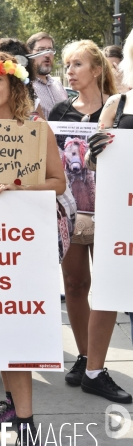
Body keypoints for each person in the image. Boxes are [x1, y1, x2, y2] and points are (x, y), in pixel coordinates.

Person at [0, 50, 66, 446]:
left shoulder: (36, 129)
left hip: (22, 245)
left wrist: (22, 187)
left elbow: (58, 182)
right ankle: (10, 406)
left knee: (17, 333)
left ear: (13, 85)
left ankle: (27, 429)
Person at [48, 40, 131, 403]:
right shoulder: (60, 111)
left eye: (77, 64)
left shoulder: (117, 108)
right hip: (71, 210)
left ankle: (97, 363)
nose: (70, 72)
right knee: (76, 283)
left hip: (112, 210)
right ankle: (85, 359)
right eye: (67, 66)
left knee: (109, 285)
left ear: (97, 69)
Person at [85, 29, 133, 386]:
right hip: (123, 221)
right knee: (114, 293)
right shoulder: (118, 104)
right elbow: (93, 163)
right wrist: (94, 152)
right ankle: (93, 371)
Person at [26, 32, 68, 119]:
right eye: (41, 50)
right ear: (29, 53)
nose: (47, 55)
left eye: (50, 50)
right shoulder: (24, 86)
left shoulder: (58, 85)